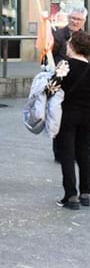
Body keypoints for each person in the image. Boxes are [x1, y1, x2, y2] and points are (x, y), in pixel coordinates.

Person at [55, 31, 90, 210]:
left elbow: (51, 88)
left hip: (67, 116)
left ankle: (71, 196)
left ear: (74, 46)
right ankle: (86, 192)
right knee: (85, 153)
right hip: (87, 117)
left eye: (69, 43)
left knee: (67, 155)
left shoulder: (65, 65)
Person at [51, 5, 87, 162]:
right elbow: (50, 58)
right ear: (68, 18)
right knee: (59, 116)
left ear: (84, 21)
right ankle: (59, 152)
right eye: (72, 18)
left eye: (78, 19)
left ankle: (77, 150)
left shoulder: (85, 36)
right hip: (62, 79)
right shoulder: (58, 35)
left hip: (81, 81)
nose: (75, 21)